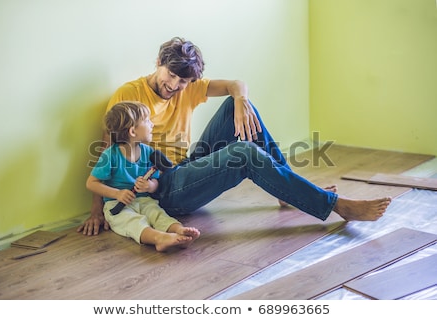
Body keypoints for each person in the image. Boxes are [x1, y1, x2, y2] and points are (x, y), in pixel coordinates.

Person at [78, 36, 392, 236]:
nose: (174, 85)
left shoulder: (189, 87)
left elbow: (236, 84)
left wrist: (241, 101)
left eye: (183, 81)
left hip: (183, 167)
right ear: (158, 64)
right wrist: (97, 212)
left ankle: (286, 191)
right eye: (170, 75)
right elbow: (105, 153)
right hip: (162, 189)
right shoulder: (129, 95)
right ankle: (335, 205)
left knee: (235, 105)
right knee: (244, 153)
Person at [86, 101, 200, 251]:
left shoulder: (148, 152)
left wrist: (151, 186)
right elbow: (92, 183)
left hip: (145, 200)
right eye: (147, 120)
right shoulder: (110, 155)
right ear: (132, 132)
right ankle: (158, 238)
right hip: (116, 205)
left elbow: (156, 180)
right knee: (132, 222)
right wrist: (117, 193)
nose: (152, 124)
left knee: (158, 214)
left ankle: (178, 230)